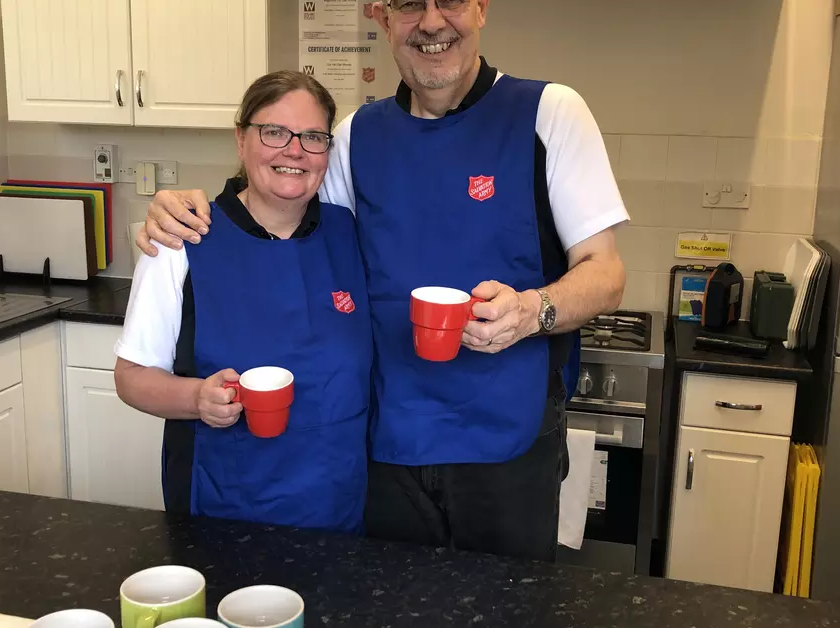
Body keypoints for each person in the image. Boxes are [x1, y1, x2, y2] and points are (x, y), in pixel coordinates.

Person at [136, 0, 628, 561]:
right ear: (383, 17)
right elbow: (283, 209)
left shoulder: (549, 112)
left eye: (450, 2)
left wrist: (532, 311)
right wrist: (185, 211)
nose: (433, 22)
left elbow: (607, 273)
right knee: (388, 599)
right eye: (410, 4)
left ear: (481, 9)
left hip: (508, 438)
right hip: (386, 445)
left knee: (505, 601)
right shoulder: (356, 136)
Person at [112, 71, 372, 534]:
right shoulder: (182, 240)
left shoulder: (351, 233)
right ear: (241, 139)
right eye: (273, 132)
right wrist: (197, 398)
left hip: (338, 502)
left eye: (313, 137)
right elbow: (130, 378)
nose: (294, 150)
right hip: (224, 504)